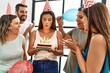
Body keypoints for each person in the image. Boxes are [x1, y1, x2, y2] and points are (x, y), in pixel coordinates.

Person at [62, 3, 110, 73]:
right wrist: (76, 50)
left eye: (83, 17)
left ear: (92, 18)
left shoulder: (97, 39)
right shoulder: (100, 37)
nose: (82, 20)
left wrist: (77, 49)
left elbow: (88, 71)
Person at [56, 7, 88, 73]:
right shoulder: (75, 31)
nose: (76, 20)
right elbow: (64, 37)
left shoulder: (94, 37)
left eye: (80, 17)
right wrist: (60, 25)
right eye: (77, 17)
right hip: (69, 69)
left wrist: (76, 50)